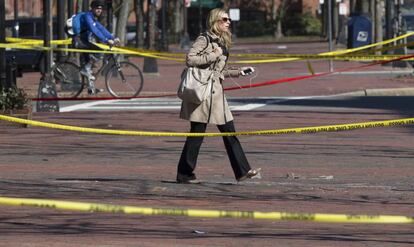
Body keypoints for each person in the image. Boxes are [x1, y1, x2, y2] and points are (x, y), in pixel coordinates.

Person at [176, 8, 260, 183]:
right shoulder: (204, 39)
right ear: (215, 21)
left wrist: (239, 71)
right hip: (203, 94)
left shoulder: (222, 41)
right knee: (197, 134)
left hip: (217, 96)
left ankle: (243, 171)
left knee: (229, 131)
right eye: (224, 19)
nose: (228, 22)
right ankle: (184, 173)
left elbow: (219, 70)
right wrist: (214, 54)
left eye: (229, 19)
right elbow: (190, 59)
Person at [71, 0, 120, 95]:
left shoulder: (93, 18)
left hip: (84, 41)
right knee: (99, 51)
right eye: (97, 8)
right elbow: (94, 30)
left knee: (89, 67)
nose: (99, 10)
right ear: (92, 8)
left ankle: (91, 88)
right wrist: (106, 40)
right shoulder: (87, 16)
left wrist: (112, 38)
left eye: (101, 9)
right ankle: (86, 69)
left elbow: (101, 29)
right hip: (79, 41)